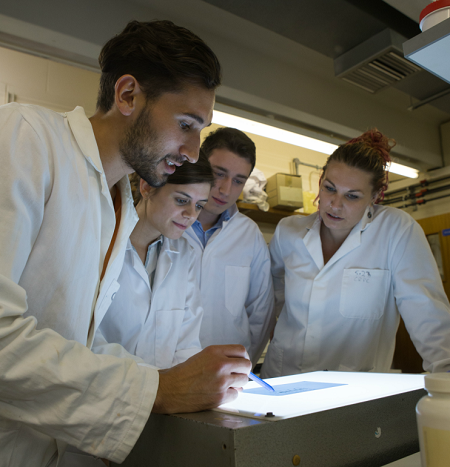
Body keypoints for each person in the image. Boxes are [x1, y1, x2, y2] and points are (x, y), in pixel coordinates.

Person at [0, 20, 251, 467]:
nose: (194, 152)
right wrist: (159, 388)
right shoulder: (27, 136)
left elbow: (76, 345)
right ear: (128, 95)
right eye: (186, 124)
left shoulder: (115, 201)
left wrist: (177, 379)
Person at [261, 129, 450, 378]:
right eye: (329, 188)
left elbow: (427, 313)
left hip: (355, 389)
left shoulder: (396, 230)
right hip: (282, 378)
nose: (335, 204)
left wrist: (445, 380)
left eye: (352, 196)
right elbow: (268, 299)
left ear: (374, 197)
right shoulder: (289, 231)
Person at [93, 150, 213, 368]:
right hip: (105, 389)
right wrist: (155, 383)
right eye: (181, 200)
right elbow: (89, 339)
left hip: (166, 395)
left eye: (198, 205)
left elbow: (186, 343)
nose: (191, 214)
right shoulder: (100, 242)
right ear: (147, 187)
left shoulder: (185, 254)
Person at [183, 127, 275, 369]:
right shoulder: (169, 222)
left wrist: (240, 368)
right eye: (218, 174)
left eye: (238, 181)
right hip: (169, 368)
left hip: (227, 373)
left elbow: (261, 313)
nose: (225, 189)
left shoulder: (249, 235)